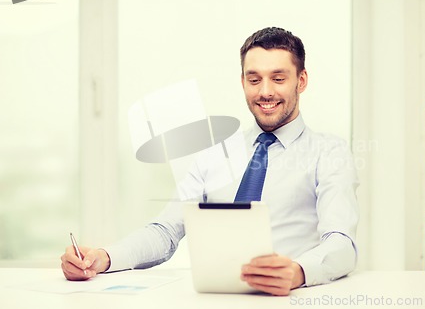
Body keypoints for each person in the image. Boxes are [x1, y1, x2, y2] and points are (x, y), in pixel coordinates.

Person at [60, 27, 359, 296]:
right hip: (214, 300)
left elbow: (342, 243)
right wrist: (103, 258)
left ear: (301, 80)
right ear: (243, 82)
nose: (265, 91)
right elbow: (165, 231)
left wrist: (298, 272)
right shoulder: (215, 154)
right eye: (254, 79)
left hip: (287, 299)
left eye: (278, 79)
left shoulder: (329, 152)